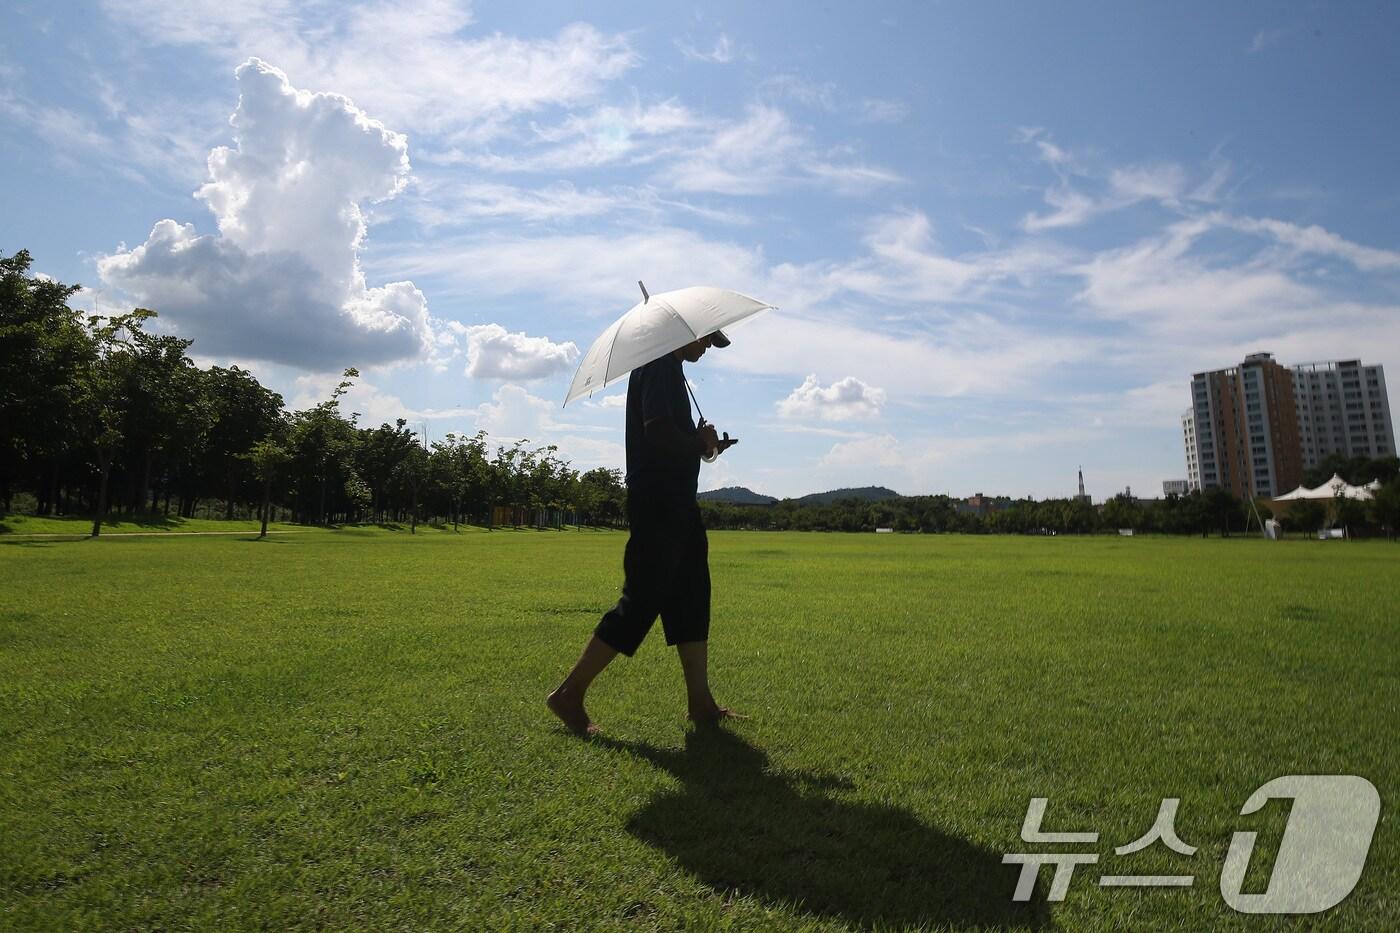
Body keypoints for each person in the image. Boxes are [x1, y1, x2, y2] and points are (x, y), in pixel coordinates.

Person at [547, 331, 740, 736]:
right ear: (683, 333)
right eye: (705, 340)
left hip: (678, 505)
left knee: (690, 596)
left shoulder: (669, 369)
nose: (707, 348)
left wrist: (708, 447)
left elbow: (676, 441)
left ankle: (701, 703)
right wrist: (697, 442)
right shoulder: (657, 367)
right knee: (641, 600)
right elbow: (658, 433)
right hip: (659, 505)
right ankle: (569, 694)